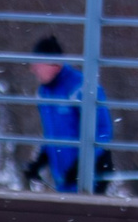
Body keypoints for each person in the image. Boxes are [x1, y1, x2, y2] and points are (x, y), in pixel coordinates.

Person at [21, 35, 115, 194]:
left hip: (90, 177)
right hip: (64, 181)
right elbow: (52, 134)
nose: (32, 69)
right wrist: (40, 161)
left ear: (53, 64)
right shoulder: (43, 93)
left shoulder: (82, 87)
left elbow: (103, 131)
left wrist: (83, 164)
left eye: (37, 63)